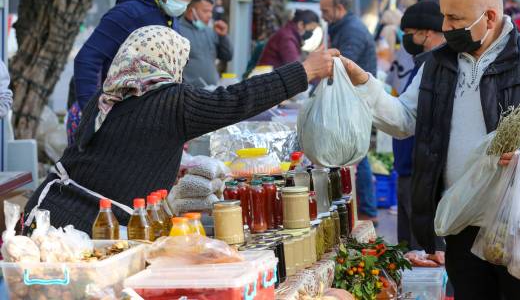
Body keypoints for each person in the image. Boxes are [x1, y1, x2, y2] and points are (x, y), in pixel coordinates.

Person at [338, 0, 520, 300]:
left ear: (488, 17)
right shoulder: (436, 65)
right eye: (444, 16)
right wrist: (364, 84)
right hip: (462, 227)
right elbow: (403, 119)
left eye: (454, 18)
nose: (445, 27)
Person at [24, 25, 338, 234]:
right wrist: (305, 70)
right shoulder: (171, 101)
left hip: (47, 213)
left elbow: (123, 153)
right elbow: (239, 99)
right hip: (82, 232)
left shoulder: (107, 95)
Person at [69, 0, 201, 144]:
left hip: (137, 123)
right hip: (107, 120)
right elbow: (87, 59)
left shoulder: (171, 20)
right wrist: (93, 116)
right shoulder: (129, 13)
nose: (184, 2)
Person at [390, 0, 446, 258]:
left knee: (421, 252)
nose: (406, 40)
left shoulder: (436, 67)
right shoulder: (422, 63)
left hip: (419, 171)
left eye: (410, 33)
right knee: (408, 251)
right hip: (408, 169)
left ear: (428, 32)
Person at [320, 0, 378, 222]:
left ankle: (368, 210)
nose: (323, 16)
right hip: (351, 98)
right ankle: (364, 208)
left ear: (340, 8)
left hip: (355, 99)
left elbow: (345, 65)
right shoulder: (343, 27)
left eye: (326, 11)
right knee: (355, 154)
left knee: (357, 154)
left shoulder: (351, 30)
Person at [178, 0, 233, 88]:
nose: (210, 15)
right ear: (191, 10)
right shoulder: (177, 31)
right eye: (205, 11)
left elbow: (227, 56)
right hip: (189, 94)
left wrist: (223, 36)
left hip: (212, 91)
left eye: (211, 11)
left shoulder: (210, 31)